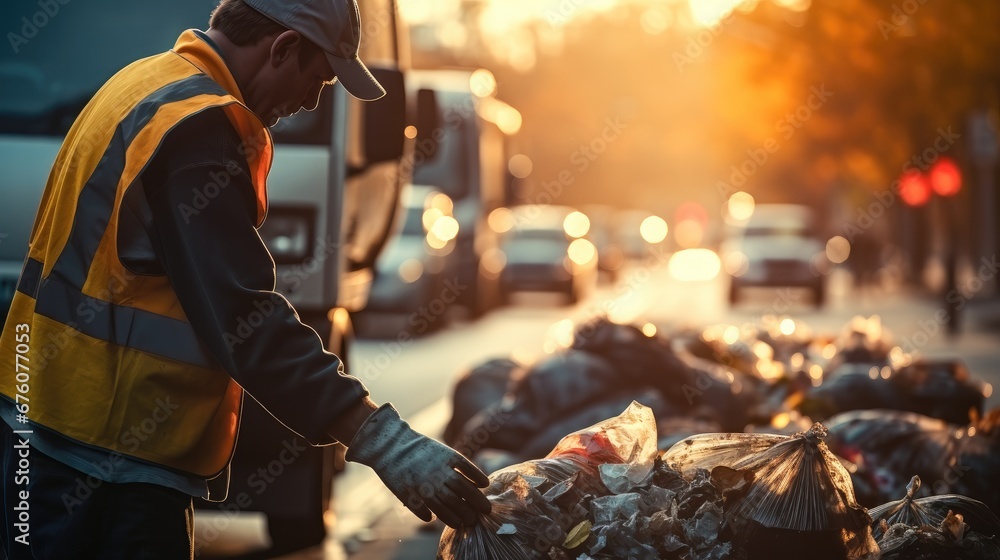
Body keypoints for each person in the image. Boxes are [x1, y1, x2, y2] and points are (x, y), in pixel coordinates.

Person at [0, 0, 490, 557]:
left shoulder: (144, 83)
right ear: (283, 47)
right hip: (112, 461)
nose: (311, 98)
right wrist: (381, 439)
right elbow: (245, 318)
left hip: (52, 430)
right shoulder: (198, 126)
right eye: (319, 78)